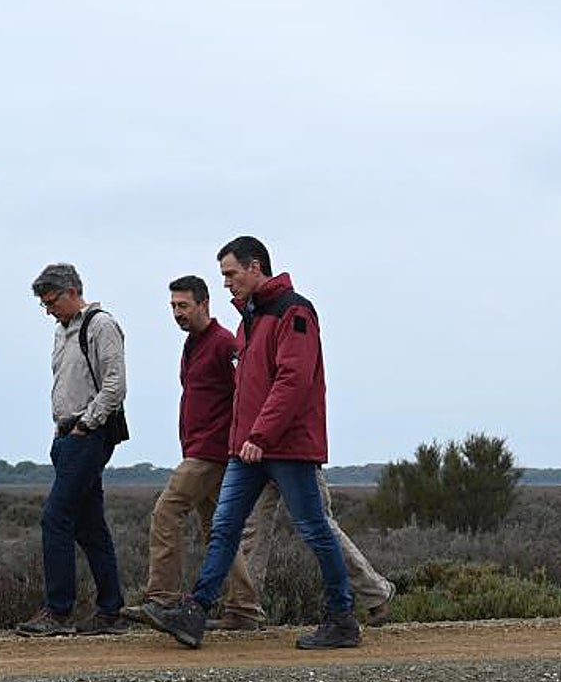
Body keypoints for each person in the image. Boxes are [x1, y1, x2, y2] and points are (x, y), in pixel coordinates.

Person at [142, 236, 361, 650]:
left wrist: (260, 434)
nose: (226, 283)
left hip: (287, 447)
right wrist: (243, 440)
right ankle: (195, 612)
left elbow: (292, 380)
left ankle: (342, 618)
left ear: (255, 267)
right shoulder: (251, 319)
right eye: (223, 275)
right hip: (247, 449)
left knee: (314, 530)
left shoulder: (293, 311)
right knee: (224, 529)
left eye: (231, 274)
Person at [121, 276, 263, 631]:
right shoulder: (193, 344)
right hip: (201, 448)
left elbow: (247, 391)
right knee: (219, 531)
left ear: (204, 304)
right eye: (173, 307)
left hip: (212, 452)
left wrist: (247, 440)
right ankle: (245, 611)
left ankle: (163, 599)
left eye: (183, 306)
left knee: (167, 511)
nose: (177, 313)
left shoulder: (223, 343)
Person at [16, 262, 128, 637]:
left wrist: (86, 424)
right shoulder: (61, 332)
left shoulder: (101, 325)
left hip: (87, 435)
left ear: (72, 293)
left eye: (51, 302)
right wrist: (63, 430)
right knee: (90, 526)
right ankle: (111, 612)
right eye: (44, 305)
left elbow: (115, 385)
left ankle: (58, 611)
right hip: (66, 437)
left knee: (56, 518)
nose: (48, 310)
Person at [241, 473, 396, 627]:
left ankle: (375, 593)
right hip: (258, 461)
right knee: (252, 530)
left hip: (295, 459)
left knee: (320, 527)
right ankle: (246, 609)